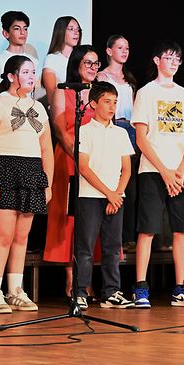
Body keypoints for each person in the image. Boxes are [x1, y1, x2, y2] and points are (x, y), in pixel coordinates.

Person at [130, 40, 184, 308]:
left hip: (181, 173)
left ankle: (181, 288)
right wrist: (164, 172)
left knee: (182, 231)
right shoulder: (146, 93)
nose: (173, 63)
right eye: (168, 58)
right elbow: (141, 138)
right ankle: (140, 288)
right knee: (147, 230)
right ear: (156, 60)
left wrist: (180, 169)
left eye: (177, 59)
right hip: (153, 170)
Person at [0, 55, 53, 314]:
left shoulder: (38, 107)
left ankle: (15, 290)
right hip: (3, 169)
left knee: (21, 237)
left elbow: (46, 149)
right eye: (25, 72)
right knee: (3, 235)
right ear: (11, 76)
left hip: (31, 171)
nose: (31, 76)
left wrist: (47, 183)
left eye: (33, 72)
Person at [42, 44, 99, 298]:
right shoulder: (63, 91)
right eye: (88, 62)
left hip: (96, 161)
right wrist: (79, 156)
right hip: (69, 159)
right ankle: (71, 279)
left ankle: (86, 276)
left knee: (91, 219)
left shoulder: (100, 92)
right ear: (76, 64)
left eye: (96, 63)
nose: (93, 68)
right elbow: (59, 128)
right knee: (70, 219)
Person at [74, 82, 136, 309]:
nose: (112, 107)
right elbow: (84, 167)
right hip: (90, 196)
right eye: (107, 102)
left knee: (112, 247)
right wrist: (109, 193)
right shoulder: (84, 131)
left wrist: (116, 195)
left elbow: (126, 169)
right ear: (93, 103)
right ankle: (80, 291)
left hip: (115, 197)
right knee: (85, 247)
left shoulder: (120, 133)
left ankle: (111, 291)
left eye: (115, 102)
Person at [98, 34, 139, 251]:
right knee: (112, 180)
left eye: (127, 48)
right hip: (112, 126)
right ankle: (110, 238)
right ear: (109, 51)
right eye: (120, 47)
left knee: (129, 186)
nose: (124, 52)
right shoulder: (101, 76)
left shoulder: (129, 78)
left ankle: (127, 237)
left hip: (130, 129)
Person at [0, 11, 38, 96]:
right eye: (17, 28)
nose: (22, 32)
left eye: (25, 29)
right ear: (6, 33)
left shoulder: (33, 61)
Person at [41, 16, 80, 103]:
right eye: (71, 29)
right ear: (61, 31)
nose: (76, 33)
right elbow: (51, 97)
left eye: (78, 29)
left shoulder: (81, 58)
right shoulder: (51, 59)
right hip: (62, 107)